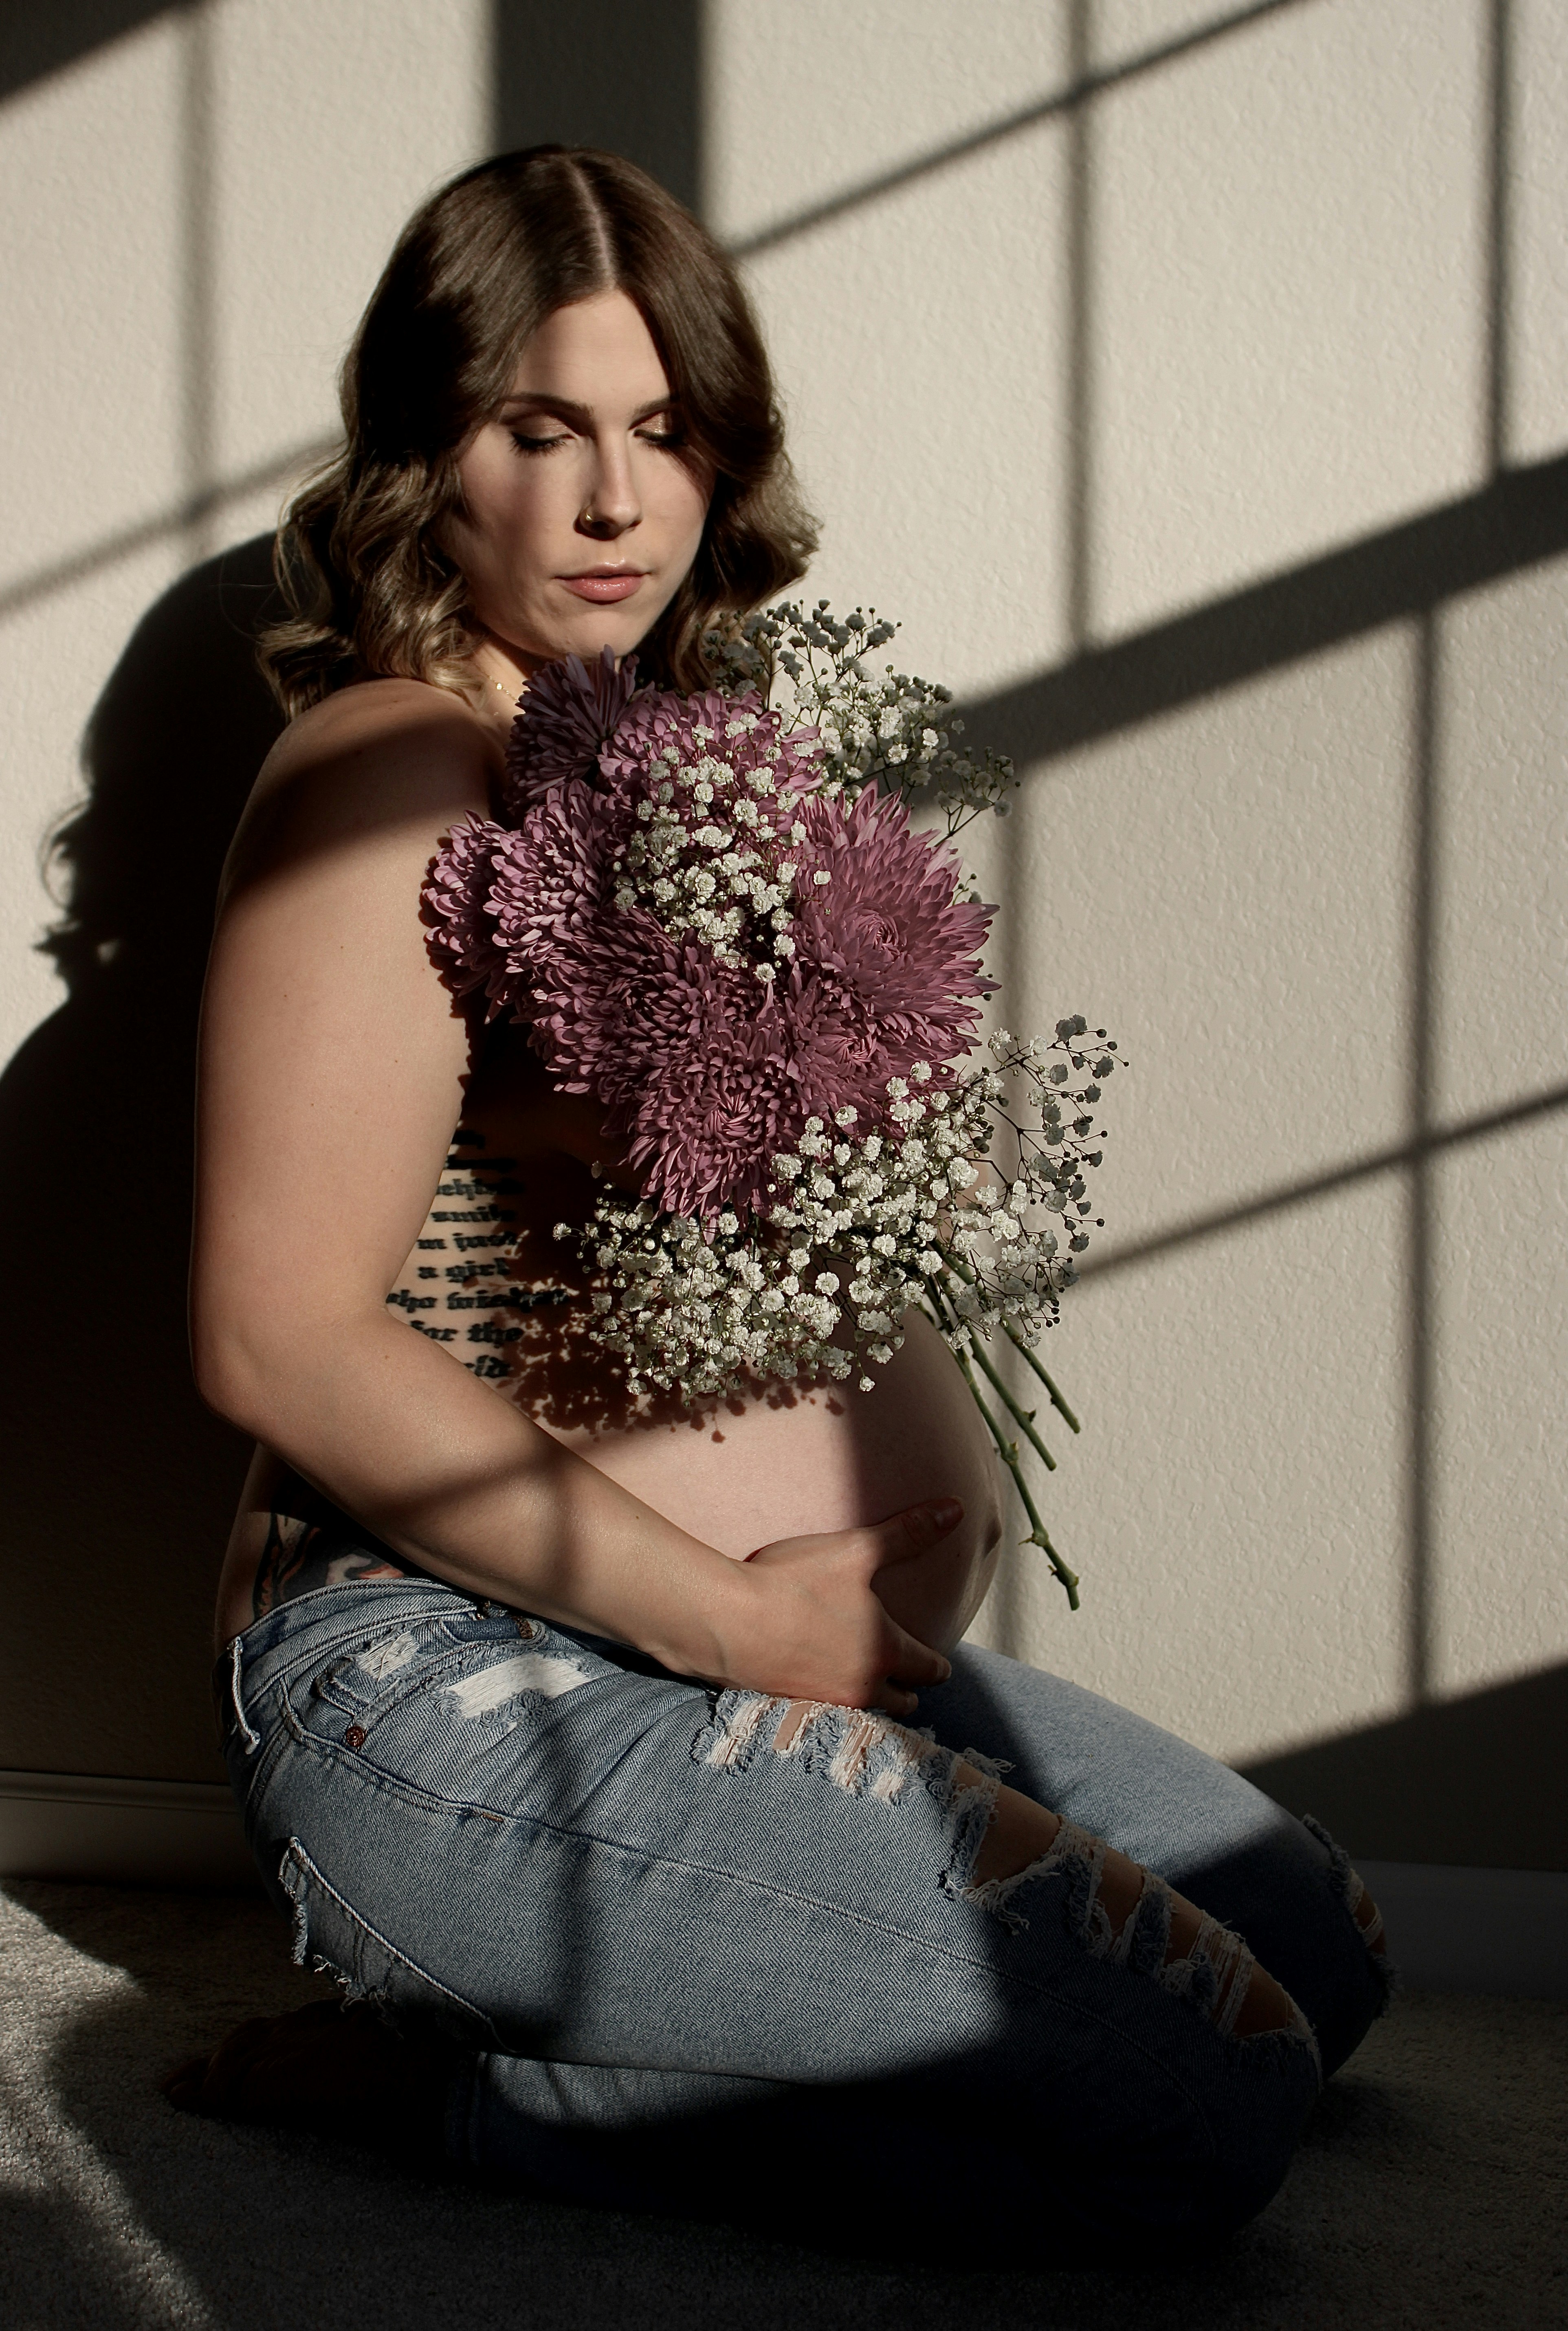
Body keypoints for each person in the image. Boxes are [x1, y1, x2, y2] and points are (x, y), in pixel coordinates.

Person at [169, 146, 1390, 2249]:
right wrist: (743, 1615)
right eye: (537, 429)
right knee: (1215, 2098)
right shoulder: (392, 766)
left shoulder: (682, 771)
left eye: (665, 431)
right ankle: (471, 2100)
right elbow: (275, 1333)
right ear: (422, 453)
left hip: (711, 1662)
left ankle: (699, 1994)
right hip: (442, 1675)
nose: (617, 502)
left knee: (1327, 1957)